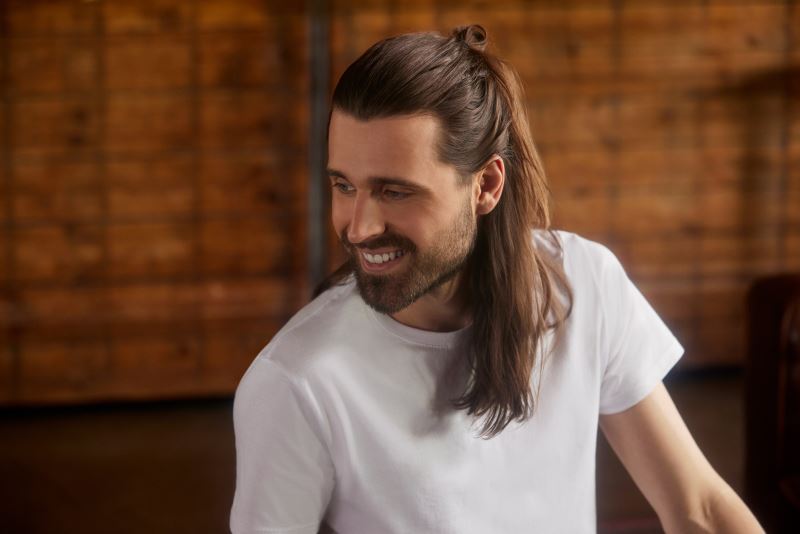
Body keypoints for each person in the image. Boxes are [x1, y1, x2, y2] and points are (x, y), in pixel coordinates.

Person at [230, 25, 763, 534]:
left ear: (485, 185)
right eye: (344, 186)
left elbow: (698, 509)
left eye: (395, 191)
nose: (359, 227)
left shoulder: (584, 285)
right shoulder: (294, 382)